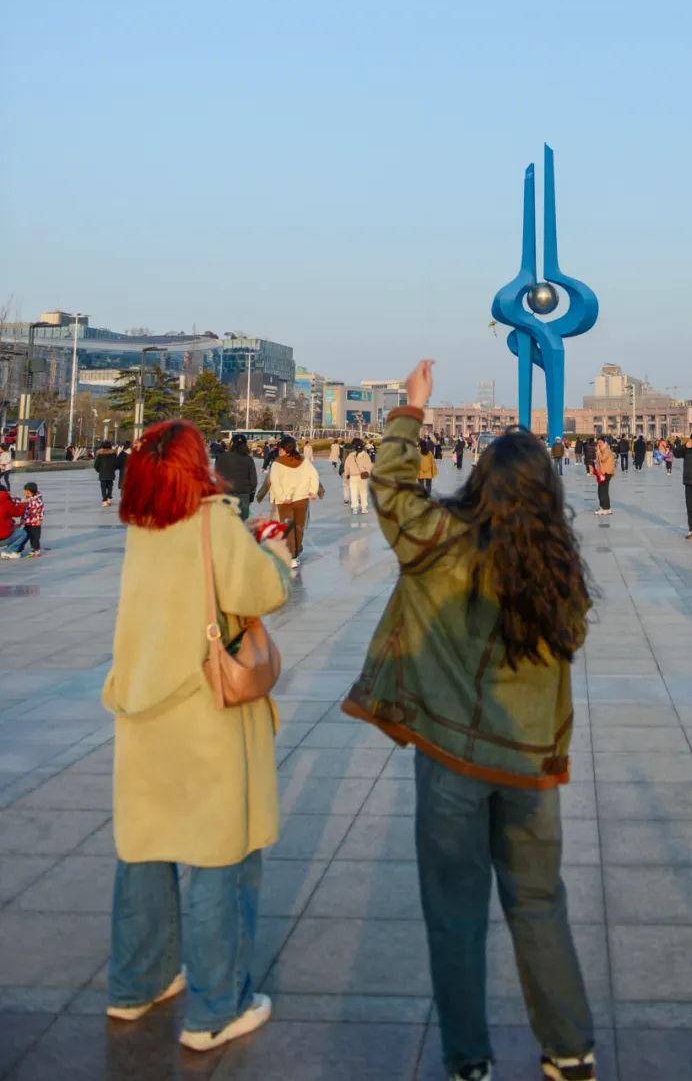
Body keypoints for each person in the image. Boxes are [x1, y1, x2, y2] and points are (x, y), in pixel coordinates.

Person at [340, 361, 596, 1081]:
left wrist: (411, 408)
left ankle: (468, 1060)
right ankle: (570, 1048)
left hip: (452, 757)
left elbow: (391, 491)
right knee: (539, 903)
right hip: (529, 764)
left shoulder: (441, 540)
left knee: (455, 915)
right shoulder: (557, 570)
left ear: (479, 481)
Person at [102, 419, 291, 1051]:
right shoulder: (212, 521)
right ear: (194, 465)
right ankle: (217, 1010)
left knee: (144, 852)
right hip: (204, 715)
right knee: (220, 859)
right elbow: (260, 592)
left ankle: (138, 983)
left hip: (141, 710)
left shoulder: (142, 525)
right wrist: (274, 551)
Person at [260, 436, 321, 568]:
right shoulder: (304, 461)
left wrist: (282, 497)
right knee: (299, 527)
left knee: (288, 527)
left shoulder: (277, 463)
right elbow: (314, 476)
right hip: (302, 499)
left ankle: (292, 556)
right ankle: (296, 553)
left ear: (282, 449)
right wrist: (312, 491)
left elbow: (275, 482)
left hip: (285, 502)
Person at [214, 435, 258, 522]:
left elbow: (217, 476)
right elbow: (253, 480)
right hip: (243, 494)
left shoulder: (222, 457)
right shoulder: (248, 459)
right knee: (243, 523)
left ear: (232, 443)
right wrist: (250, 492)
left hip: (226, 494)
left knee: (227, 522)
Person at [2, 482, 44, 558]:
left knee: (35, 537)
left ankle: (36, 549)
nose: (25, 493)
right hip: (27, 522)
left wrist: (39, 519)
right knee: (25, 535)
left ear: (32, 492)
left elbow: (40, 510)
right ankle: (18, 549)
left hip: (34, 523)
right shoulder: (25, 499)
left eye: (27, 492)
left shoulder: (37, 501)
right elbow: (18, 502)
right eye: (25, 491)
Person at [343, 440, 372, 514]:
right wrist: (368, 473)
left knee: (353, 492)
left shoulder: (351, 455)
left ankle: (355, 508)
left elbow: (346, 466)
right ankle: (364, 508)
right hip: (362, 476)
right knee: (363, 492)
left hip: (353, 476)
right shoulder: (365, 455)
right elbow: (369, 466)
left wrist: (346, 474)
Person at [594, 435, 616, 514]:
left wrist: (598, 452)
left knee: (603, 491)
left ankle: (605, 508)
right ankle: (605, 507)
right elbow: (600, 460)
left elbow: (603, 459)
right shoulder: (602, 450)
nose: (599, 444)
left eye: (600, 442)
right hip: (603, 472)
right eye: (598, 443)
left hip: (606, 472)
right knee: (602, 491)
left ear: (604, 443)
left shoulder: (606, 450)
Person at [95, 441, 120, 507]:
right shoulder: (113, 454)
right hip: (111, 473)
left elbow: (96, 464)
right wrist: (113, 469)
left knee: (103, 487)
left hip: (102, 473)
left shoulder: (100, 454)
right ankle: (109, 498)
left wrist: (99, 470)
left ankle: (105, 501)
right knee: (110, 486)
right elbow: (116, 464)